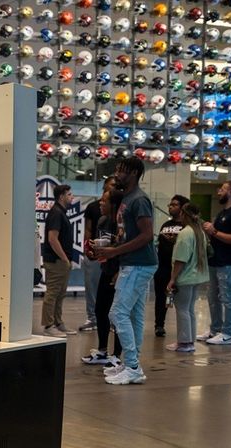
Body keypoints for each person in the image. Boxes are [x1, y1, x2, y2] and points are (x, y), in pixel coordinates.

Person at [94, 157, 158, 385]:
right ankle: (131, 363)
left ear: (133, 173)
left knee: (117, 313)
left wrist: (114, 252)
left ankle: (132, 366)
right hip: (133, 262)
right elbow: (127, 233)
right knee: (134, 315)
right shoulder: (128, 199)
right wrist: (110, 248)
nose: (117, 174)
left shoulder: (139, 200)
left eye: (121, 170)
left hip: (139, 263)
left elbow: (147, 235)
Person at [197, 180, 231, 346]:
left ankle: (228, 334)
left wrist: (215, 231)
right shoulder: (222, 213)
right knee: (213, 297)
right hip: (216, 261)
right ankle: (215, 329)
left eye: (223, 189)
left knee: (228, 298)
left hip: (230, 262)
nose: (219, 191)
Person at [81, 189, 123, 368]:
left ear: (113, 204)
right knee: (100, 310)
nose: (100, 203)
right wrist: (94, 250)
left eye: (104, 201)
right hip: (106, 269)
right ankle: (102, 351)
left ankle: (117, 355)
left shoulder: (122, 224)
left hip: (120, 272)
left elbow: (126, 247)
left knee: (119, 315)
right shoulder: (102, 221)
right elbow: (103, 247)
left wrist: (119, 270)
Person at [165, 203, 209, 353]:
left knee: (182, 309)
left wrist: (172, 279)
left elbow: (180, 260)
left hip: (185, 277)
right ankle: (189, 341)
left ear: (184, 215)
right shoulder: (199, 232)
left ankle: (184, 343)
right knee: (189, 309)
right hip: (197, 277)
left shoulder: (185, 233)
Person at [78, 176, 117, 332]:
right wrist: (88, 248)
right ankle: (92, 318)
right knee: (92, 286)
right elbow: (88, 229)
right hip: (95, 253)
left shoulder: (119, 209)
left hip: (112, 255)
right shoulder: (93, 207)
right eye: (111, 185)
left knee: (110, 288)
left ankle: (111, 321)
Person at [41, 184, 77, 337]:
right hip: (56, 261)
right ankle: (49, 325)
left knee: (60, 293)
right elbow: (52, 239)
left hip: (62, 260)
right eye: (69, 194)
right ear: (61, 196)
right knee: (53, 292)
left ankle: (58, 322)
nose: (72, 197)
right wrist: (64, 258)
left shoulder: (61, 212)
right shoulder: (56, 213)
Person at [152, 195, 188, 337]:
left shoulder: (187, 227)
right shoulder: (165, 225)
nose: (170, 207)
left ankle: (184, 332)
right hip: (163, 267)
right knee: (161, 298)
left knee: (182, 302)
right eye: (170, 204)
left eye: (174, 204)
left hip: (180, 269)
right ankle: (159, 325)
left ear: (182, 208)